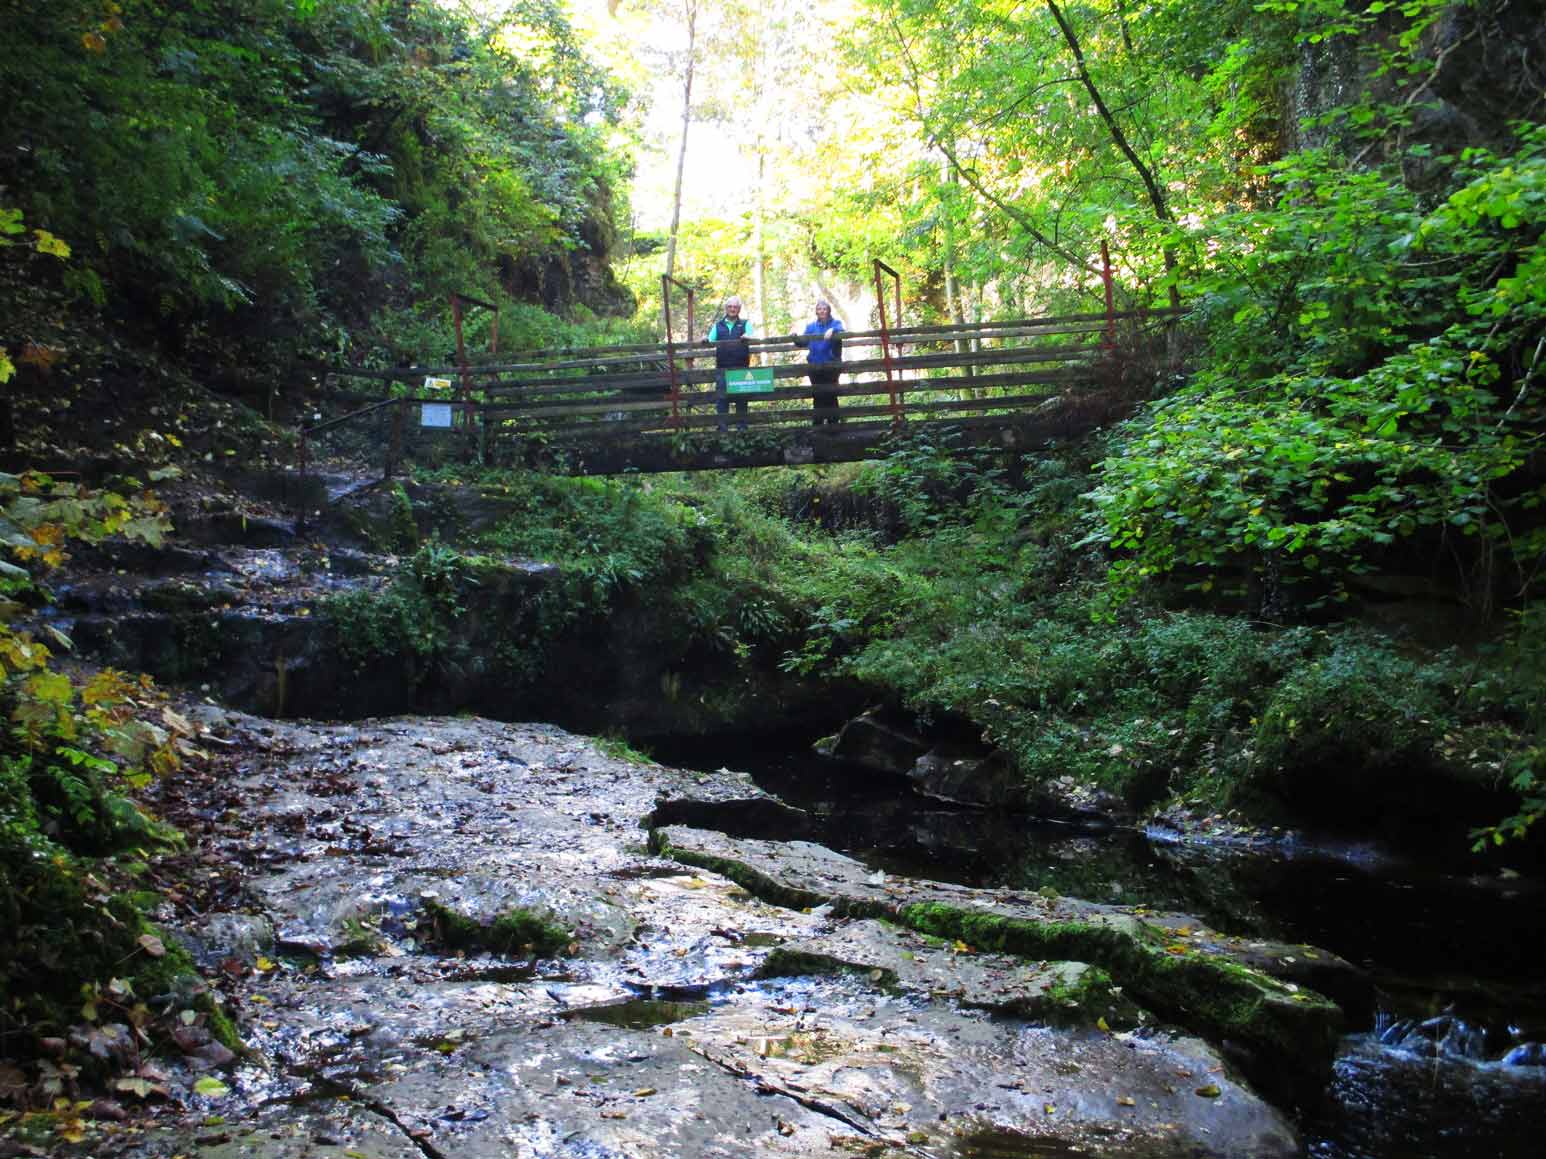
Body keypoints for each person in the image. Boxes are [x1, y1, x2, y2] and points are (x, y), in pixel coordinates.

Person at [705, 296, 755, 430]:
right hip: (722, 368)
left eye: (735, 307)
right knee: (722, 399)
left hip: (741, 368)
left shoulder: (745, 324)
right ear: (726, 308)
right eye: (730, 307)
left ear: (739, 309)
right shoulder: (718, 325)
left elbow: (752, 335)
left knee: (742, 398)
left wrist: (747, 337)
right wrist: (705, 340)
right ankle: (722, 429)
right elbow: (710, 340)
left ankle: (742, 428)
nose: (733, 309)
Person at [799, 299, 845, 425]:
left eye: (824, 309)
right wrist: (795, 338)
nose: (822, 311)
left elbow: (842, 330)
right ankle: (818, 424)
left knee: (831, 394)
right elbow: (802, 342)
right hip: (814, 366)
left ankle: (833, 424)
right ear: (816, 311)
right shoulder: (811, 327)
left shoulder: (836, 323)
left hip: (831, 366)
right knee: (817, 395)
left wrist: (833, 330)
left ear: (829, 310)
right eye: (819, 309)